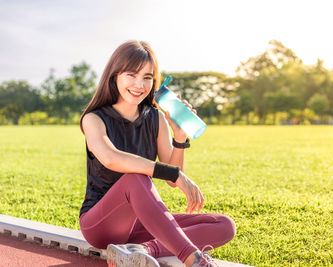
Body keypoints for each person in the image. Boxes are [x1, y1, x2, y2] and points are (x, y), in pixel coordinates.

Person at [78, 41, 236, 267]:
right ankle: (194, 259)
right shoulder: (94, 119)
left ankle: (142, 249)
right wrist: (170, 173)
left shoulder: (156, 118)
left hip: (139, 224)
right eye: (131, 75)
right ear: (115, 76)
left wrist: (179, 137)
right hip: (101, 224)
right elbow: (111, 158)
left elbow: (174, 176)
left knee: (224, 225)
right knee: (135, 177)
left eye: (147, 77)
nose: (139, 84)